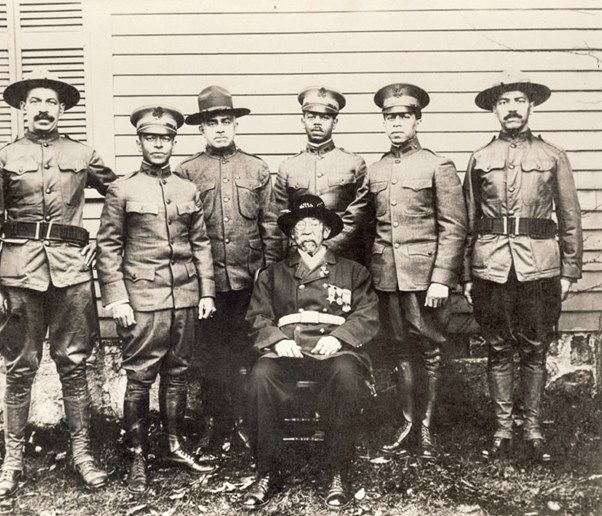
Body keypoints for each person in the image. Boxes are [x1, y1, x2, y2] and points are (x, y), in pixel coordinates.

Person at [0, 67, 116, 499]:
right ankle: (12, 461)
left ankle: (82, 455)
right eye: (35, 101)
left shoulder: (84, 154)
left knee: (74, 363)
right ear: (22, 108)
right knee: (20, 368)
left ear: (63, 109)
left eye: (51, 102)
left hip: (72, 273)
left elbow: (124, 198)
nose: (43, 109)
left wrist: (103, 245)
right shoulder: (3, 157)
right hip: (18, 274)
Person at [337, 83, 467, 460]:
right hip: (386, 279)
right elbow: (356, 220)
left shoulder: (436, 165)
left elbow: (454, 227)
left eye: (403, 117)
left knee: (429, 349)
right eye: (389, 117)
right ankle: (407, 422)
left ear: (417, 120)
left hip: (427, 280)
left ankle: (426, 428)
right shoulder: (375, 170)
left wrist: (442, 277)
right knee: (399, 350)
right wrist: (316, 247)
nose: (396, 124)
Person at [462, 70, 583, 462]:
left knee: (534, 349)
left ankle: (531, 428)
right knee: (498, 348)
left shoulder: (552, 155)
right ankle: (502, 429)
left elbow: (570, 216)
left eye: (518, 101)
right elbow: (468, 219)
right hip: (490, 267)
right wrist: (465, 273)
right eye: (503, 102)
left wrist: (568, 271)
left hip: (540, 268)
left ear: (530, 106)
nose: (511, 109)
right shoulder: (480, 158)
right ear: (494, 110)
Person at [96, 105, 217, 495]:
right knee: (140, 378)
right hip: (142, 299)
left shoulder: (186, 188)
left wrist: (206, 292)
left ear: (173, 142)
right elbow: (109, 248)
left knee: (178, 374)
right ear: (140, 142)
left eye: (165, 139)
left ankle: (173, 446)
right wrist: (117, 299)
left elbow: (200, 244)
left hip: (183, 296)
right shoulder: (122, 189)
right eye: (151, 138)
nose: (158, 145)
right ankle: (136, 454)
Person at [242, 195, 379, 510]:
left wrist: (341, 338)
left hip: (333, 351)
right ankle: (268, 471)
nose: (306, 231)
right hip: (288, 352)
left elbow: (367, 314)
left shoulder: (353, 272)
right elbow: (257, 317)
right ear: (292, 235)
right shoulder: (272, 274)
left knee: (346, 375)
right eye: (300, 226)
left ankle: (337, 471)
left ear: (327, 233)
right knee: (261, 376)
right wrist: (276, 340)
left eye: (314, 225)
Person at [175, 85, 282, 452]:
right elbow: (181, 230)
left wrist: (267, 277)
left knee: (250, 353)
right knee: (208, 358)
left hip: (249, 280)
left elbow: (270, 227)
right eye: (211, 123)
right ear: (201, 129)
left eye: (226, 121)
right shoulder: (187, 171)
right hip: (206, 284)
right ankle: (215, 424)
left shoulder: (256, 168)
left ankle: (249, 422)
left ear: (236, 125)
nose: (220, 129)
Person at [274, 86, 368, 263]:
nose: (317, 122)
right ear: (303, 121)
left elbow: (360, 212)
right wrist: (301, 246)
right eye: (311, 116)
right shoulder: (288, 167)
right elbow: (279, 215)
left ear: (335, 122)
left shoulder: (354, 163)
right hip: (301, 256)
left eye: (325, 117)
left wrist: (331, 244)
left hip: (344, 256)